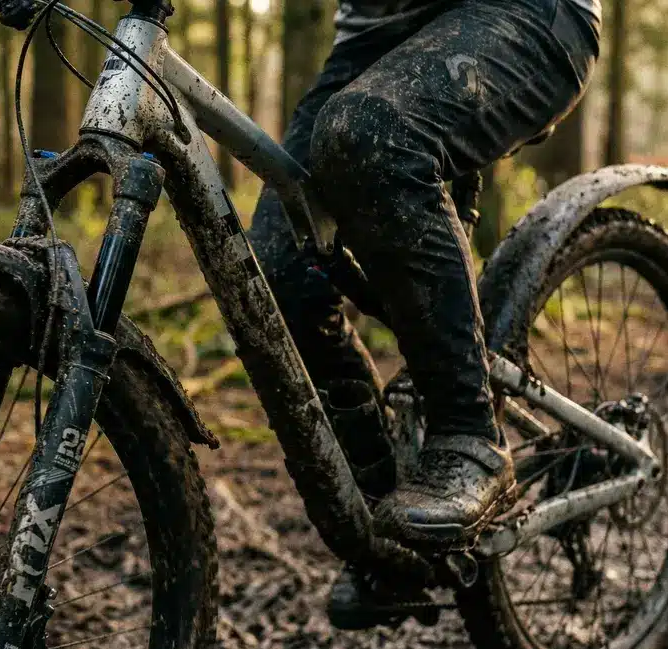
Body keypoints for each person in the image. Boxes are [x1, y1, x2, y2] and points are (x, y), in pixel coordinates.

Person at [246, 0, 601, 627]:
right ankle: (388, 533)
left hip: (526, 14)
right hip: (374, 39)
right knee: (278, 271)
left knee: (369, 133)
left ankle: (469, 434)